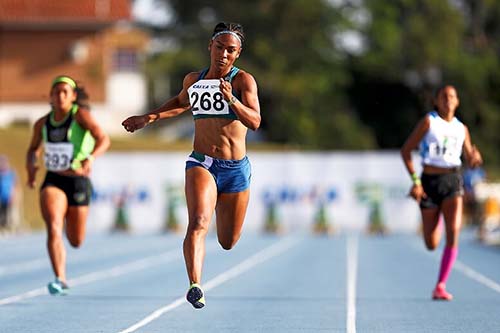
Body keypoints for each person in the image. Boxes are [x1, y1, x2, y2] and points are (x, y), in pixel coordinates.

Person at [122, 22, 261, 309]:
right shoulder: (193, 80)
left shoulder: (243, 81)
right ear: (210, 47)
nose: (223, 54)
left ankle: (202, 269)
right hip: (202, 163)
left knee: (227, 241)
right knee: (198, 222)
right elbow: (180, 102)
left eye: (230, 50)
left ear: (237, 54)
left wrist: (231, 99)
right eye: (219, 47)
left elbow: (255, 121)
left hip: (235, 169)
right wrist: (149, 117)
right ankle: (195, 284)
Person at [26, 75, 110, 295]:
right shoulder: (42, 123)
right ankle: (60, 278)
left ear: (73, 96)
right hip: (54, 179)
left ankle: (67, 220)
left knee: (75, 240)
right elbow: (33, 149)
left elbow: (103, 139)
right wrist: (32, 169)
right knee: (53, 225)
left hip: (78, 181)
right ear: (50, 97)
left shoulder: (81, 116)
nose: (60, 96)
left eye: (65, 92)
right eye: (56, 92)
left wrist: (90, 158)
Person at [401, 85, 482, 301]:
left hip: (452, 180)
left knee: (454, 231)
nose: (448, 100)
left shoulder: (461, 129)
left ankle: (440, 285)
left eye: (452, 96)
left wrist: (474, 159)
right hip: (429, 182)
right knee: (431, 244)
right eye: (444, 97)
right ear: (437, 101)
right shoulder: (429, 122)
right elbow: (406, 150)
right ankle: (435, 220)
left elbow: (470, 158)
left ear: (457, 102)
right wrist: (416, 182)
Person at [0, 155, 19, 229]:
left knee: (11, 214)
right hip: (2, 197)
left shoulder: (11, 173)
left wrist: (14, 195)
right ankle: (3, 227)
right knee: (2, 214)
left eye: (4, 162)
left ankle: (12, 228)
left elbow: (15, 185)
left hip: (10, 196)